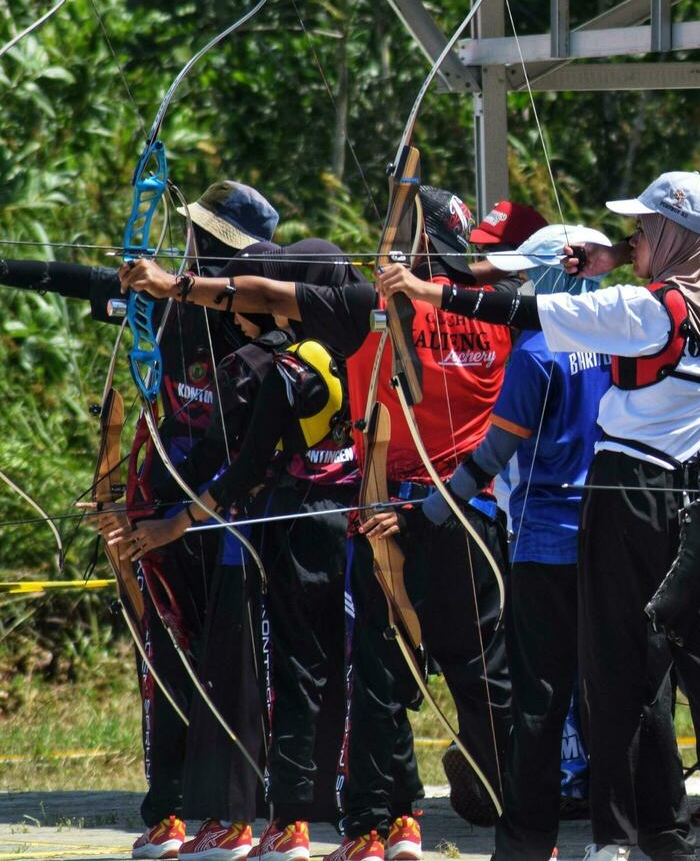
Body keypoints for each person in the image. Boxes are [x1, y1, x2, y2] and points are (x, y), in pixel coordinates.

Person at [119, 186, 513, 861]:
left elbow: (246, 456)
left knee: (331, 676)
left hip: (350, 520)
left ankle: (305, 823)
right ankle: (433, 821)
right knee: (467, 675)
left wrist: (177, 521)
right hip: (446, 509)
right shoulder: (428, 317)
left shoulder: (301, 360)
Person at [379, 171, 700, 861]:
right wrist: (613, 252)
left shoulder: (621, 322)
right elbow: (682, 254)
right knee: (692, 677)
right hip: (696, 499)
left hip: (592, 522)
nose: (635, 239)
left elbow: (508, 344)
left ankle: (572, 840)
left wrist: (421, 289)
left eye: (645, 230)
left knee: (569, 691)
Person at [0, 180, 279, 859]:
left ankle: (239, 814)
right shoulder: (162, 299)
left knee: (238, 667)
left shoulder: (268, 315)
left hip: (231, 513)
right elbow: (85, 281)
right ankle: (172, 811)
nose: (185, 243)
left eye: (198, 236)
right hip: (162, 508)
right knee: (168, 659)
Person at [109, 239, 359, 861]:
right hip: (336, 531)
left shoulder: (276, 369)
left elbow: (242, 468)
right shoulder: (352, 354)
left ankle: (258, 821)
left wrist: (170, 518)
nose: (243, 303)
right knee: (318, 674)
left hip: (260, 538)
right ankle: (329, 821)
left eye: (256, 292)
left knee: (253, 679)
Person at [398, 222, 612, 861]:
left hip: (545, 537)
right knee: (610, 685)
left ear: (552, 276)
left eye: (523, 274)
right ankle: (619, 834)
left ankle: (525, 843)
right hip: (610, 535)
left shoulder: (535, 352)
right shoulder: (617, 340)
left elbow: (493, 452)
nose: (513, 283)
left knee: (539, 696)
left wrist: (433, 509)